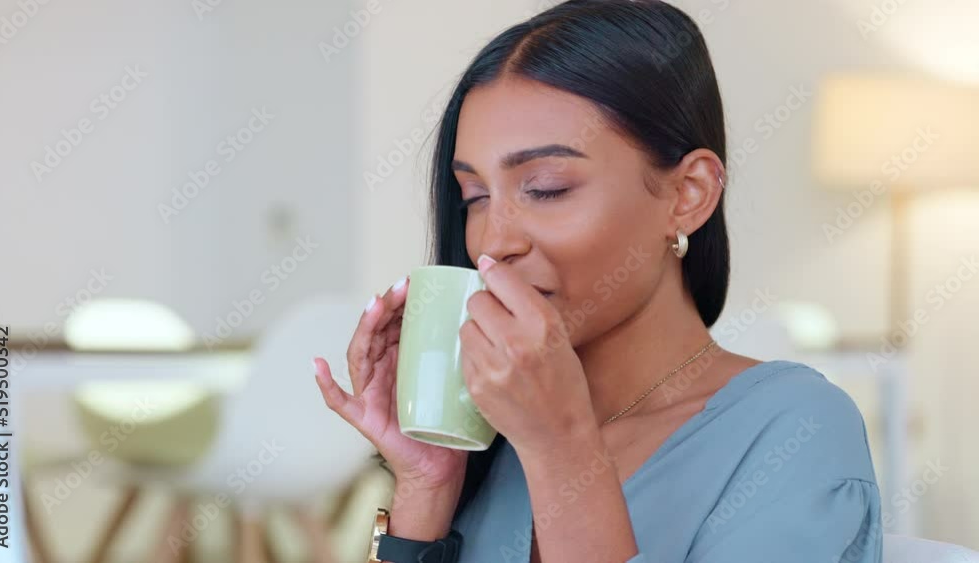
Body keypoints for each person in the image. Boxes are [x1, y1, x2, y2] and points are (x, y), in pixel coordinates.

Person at [314, 0, 882, 561]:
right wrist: (427, 483)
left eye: (547, 188)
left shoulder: (797, 432)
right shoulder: (496, 436)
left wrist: (561, 446)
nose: (493, 242)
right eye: (476, 198)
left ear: (688, 195)